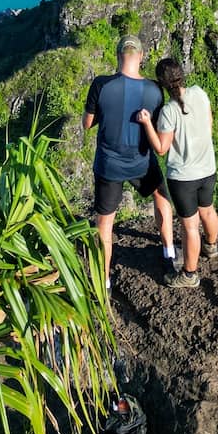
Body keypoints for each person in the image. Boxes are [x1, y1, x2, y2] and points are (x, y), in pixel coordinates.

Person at [83, 35, 176, 288]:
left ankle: (104, 281)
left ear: (117, 54)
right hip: (142, 161)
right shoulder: (155, 90)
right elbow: (157, 128)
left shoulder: (101, 85)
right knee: (161, 196)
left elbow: (87, 124)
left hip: (109, 165)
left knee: (105, 222)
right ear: (141, 56)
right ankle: (169, 251)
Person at [138, 57, 218, 289]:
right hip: (207, 168)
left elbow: (162, 149)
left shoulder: (168, 111)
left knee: (190, 226)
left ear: (162, 84)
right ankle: (211, 246)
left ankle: (189, 274)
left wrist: (146, 124)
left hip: (184, 177)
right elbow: (209, 122)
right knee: (208, 210)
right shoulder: (200, 93)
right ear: (182, 75)